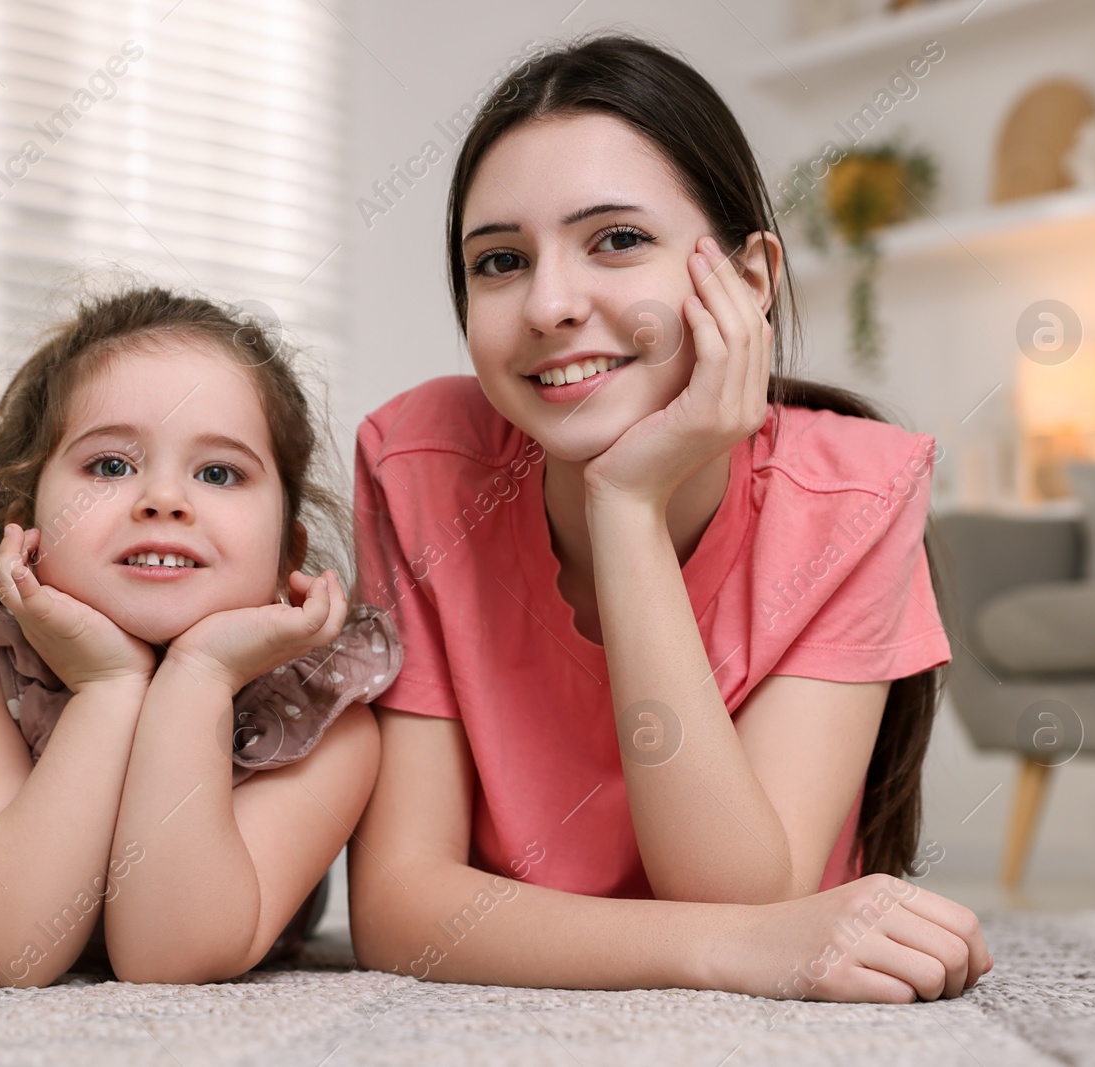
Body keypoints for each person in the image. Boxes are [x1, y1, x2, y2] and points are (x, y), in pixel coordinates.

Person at [347, 34, 993, 1003]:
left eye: (616, 239)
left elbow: (738, 888)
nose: (550, 302)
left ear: (748, 279)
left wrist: (624, 503)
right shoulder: (419, 463)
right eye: (500, 260)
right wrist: (722, 949)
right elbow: (398, 906)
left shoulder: (856, 491)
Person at [0, 286, 400, 987]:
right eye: (110, 466)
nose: (163, 499)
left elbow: (171, 955)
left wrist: (199, 676)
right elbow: (13, 948)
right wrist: (108, 688)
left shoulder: (325, 717)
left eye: (218, 472)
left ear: (287, 553)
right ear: (29, 526)